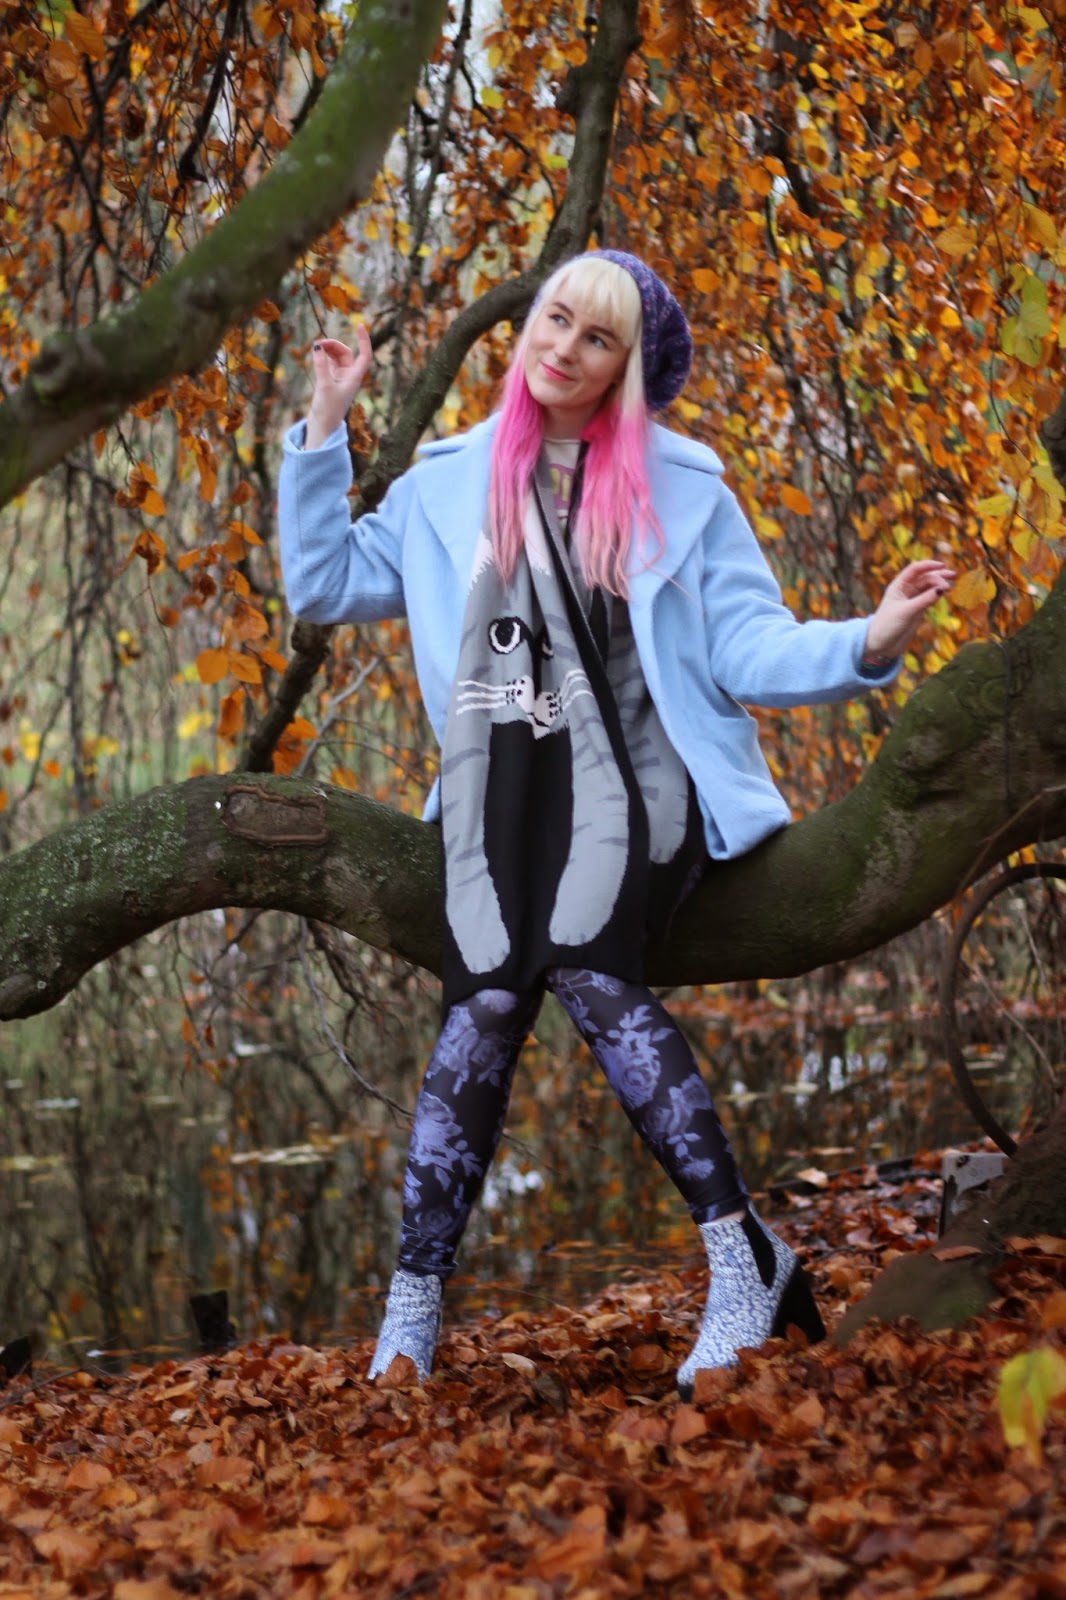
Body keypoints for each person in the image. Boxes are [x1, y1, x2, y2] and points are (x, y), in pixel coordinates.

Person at [277, 249, 953, 1398]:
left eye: (596, 338)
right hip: (497, 797)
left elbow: (746, 646)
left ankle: (738, 1261)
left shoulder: (681, 490)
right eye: (554, 320)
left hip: (640, 786)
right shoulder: (446, 486)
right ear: (528, 326)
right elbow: (324, 584)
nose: (563, 348)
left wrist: (868, 639)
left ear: (624, 367)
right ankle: (413, 1304)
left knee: (586, 968)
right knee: (487, 1002)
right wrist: (325, 428)